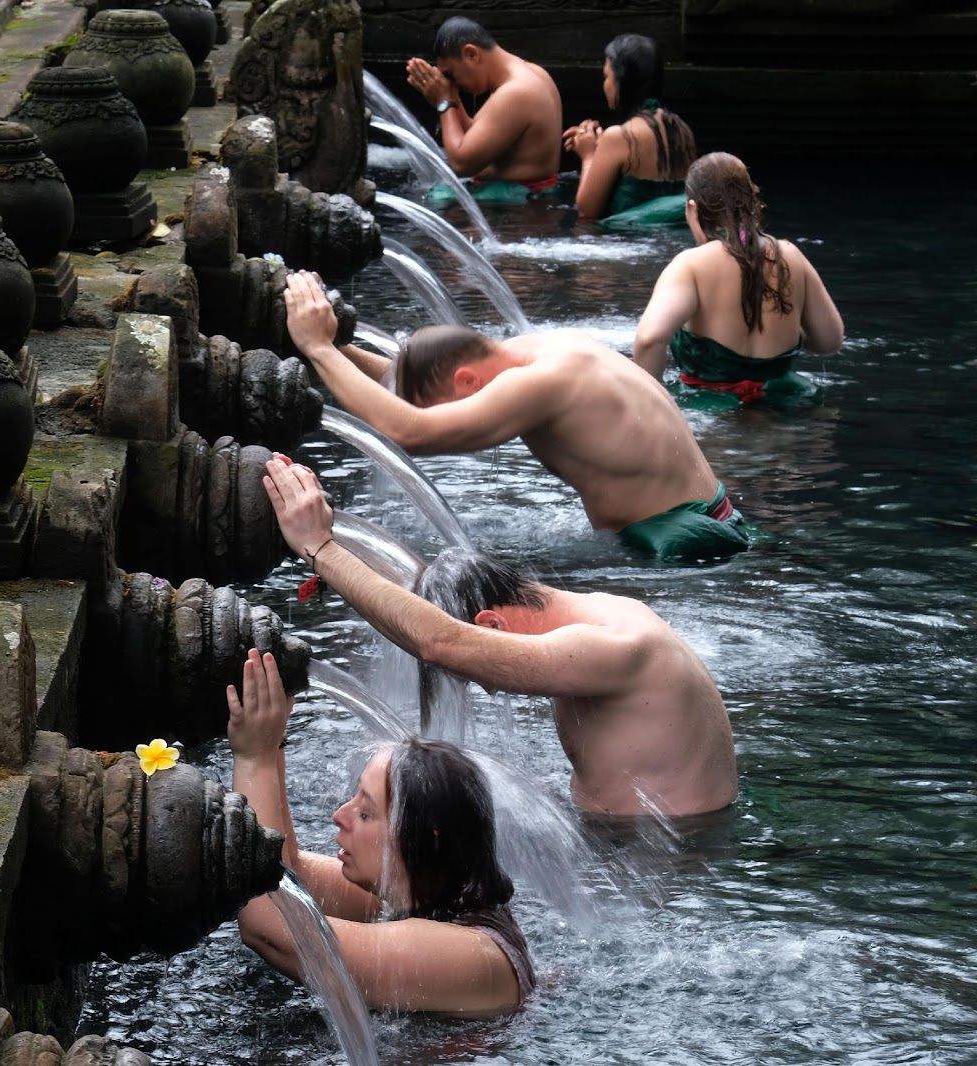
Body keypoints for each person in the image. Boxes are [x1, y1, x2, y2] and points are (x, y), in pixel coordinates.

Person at [261, 463, 740, 818]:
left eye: (476, 677)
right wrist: (335, 533)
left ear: (490, 626)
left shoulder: (609, 644)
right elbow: (418, 612)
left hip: (669, 863)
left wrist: (320, 548)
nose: (487, 687)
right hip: (629, 836)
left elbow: (439, 643)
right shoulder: (589, 613)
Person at [283, 272, 751, 564]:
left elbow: (409, 428)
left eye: (454, 405)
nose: (464, 417)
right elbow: (394, 387)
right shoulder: (532, 351)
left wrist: (317, 347)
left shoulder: (538, 383)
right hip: (697, 518)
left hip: (680, 545)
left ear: (466, 381)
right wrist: (338, 347)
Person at [229, 648, 535, 1014]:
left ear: (424, 839)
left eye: (365, 813)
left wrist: (255, 756)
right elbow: (288, 876)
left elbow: (268, 926)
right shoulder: (421, 892)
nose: (339, 816)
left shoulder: (470, 955)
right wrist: (272, 732)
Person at [634, 153, 845, 407]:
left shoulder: (690, 265)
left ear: (692, 208)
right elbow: (830, 340)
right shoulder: (791, 256)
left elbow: (649, 339)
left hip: (712, 415)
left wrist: (654, 406)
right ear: (751, 201)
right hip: (786, 409)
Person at [404, 18, 563, 202]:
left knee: (430, 201)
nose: (453, 83)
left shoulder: (516, 92)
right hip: (524, 199)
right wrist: (451, 96)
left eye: (451, 74)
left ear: (471, 54)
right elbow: (477, 138)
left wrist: (444, 103)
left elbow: (461, 163)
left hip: (519, 209)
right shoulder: (532, 73)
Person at [562, 34, 697, 225]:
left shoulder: (619, 136)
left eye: (606, 76)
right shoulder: (682, 130)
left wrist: (589, 155)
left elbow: (586, 212)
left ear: (621, 81)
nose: (605, 84)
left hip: (626, 240)